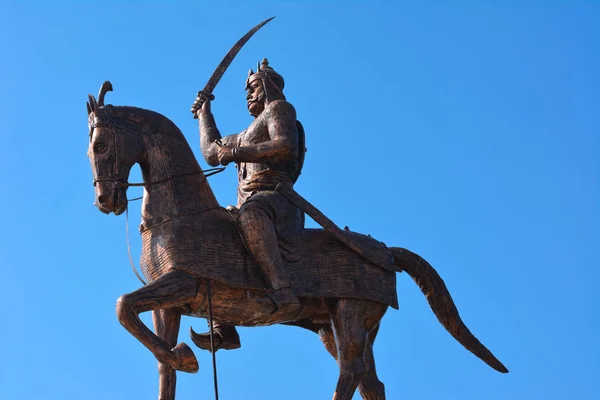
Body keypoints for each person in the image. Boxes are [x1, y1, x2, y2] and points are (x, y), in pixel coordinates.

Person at [190, 58, 306, 351]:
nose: (248, 94)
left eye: (252, 87)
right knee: (214, 228)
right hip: (250, 205)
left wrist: (238, 152)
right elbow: (211, 152)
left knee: (251, 215)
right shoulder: (245, 132)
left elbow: (284, 145)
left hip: (276, 201)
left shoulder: (280, 110)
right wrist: (205, 113)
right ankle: (222, 326)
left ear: (268, 86)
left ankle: (283, 292)